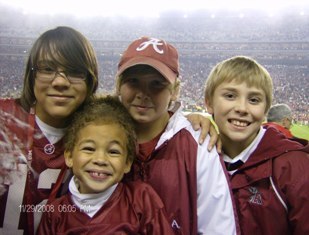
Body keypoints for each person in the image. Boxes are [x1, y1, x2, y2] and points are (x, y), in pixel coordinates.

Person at [116, 36, 238, 234]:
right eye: (133, 81)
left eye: (156, 84)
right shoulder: (99, 137)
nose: (143, 93)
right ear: (118, 85)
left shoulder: (197, 143)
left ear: (175, 91)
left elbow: (218, 227)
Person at [0, 26, 99, 235]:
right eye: (47, 69)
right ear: (32, 75)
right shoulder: (4, 119)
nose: (60, 81)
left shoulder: (99, 135)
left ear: (90, 80)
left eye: (74, 72)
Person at [37, 96, 174, 234]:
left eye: (113, 151)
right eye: (89, 149)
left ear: (127, 162)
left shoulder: (141, 200)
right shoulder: (55, 213)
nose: (100, 159)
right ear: (70, 156)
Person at [204, 55, 309, 234]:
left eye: (254, 100)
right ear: (209, 103)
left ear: (266, 110)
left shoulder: (294, 166)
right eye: (230, 96)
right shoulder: (198, 156)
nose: (242, 108)